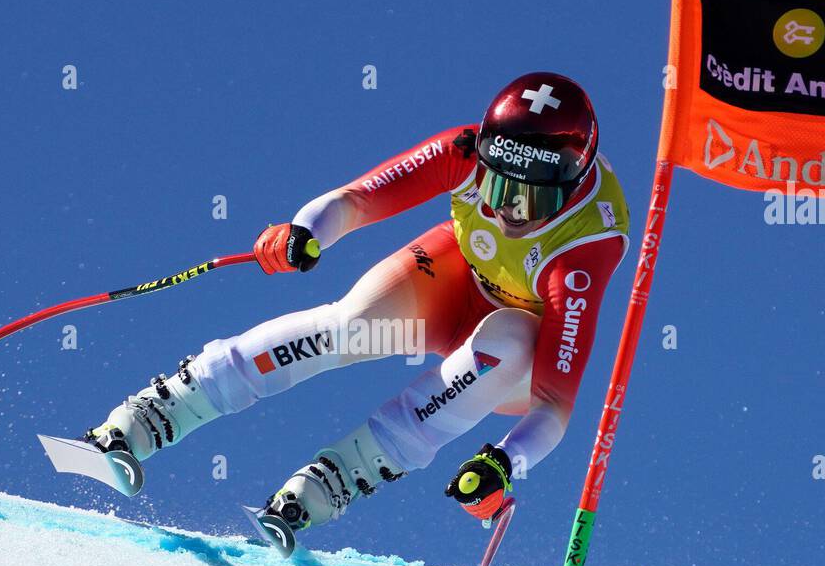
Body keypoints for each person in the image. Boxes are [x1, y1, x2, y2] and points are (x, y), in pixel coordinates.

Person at [86, 71, 629, 539]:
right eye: (498, 186)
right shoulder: (464, 151)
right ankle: (161, 409)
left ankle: (337, 479)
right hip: (456, 276)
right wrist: (304, 232)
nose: (510, 209)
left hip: (514, 354)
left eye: (533, 198)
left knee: (508, 338)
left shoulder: (585, 249)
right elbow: (358, 198)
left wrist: (504, 462)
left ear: (573, 187)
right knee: (352, 327)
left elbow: (554, 406)